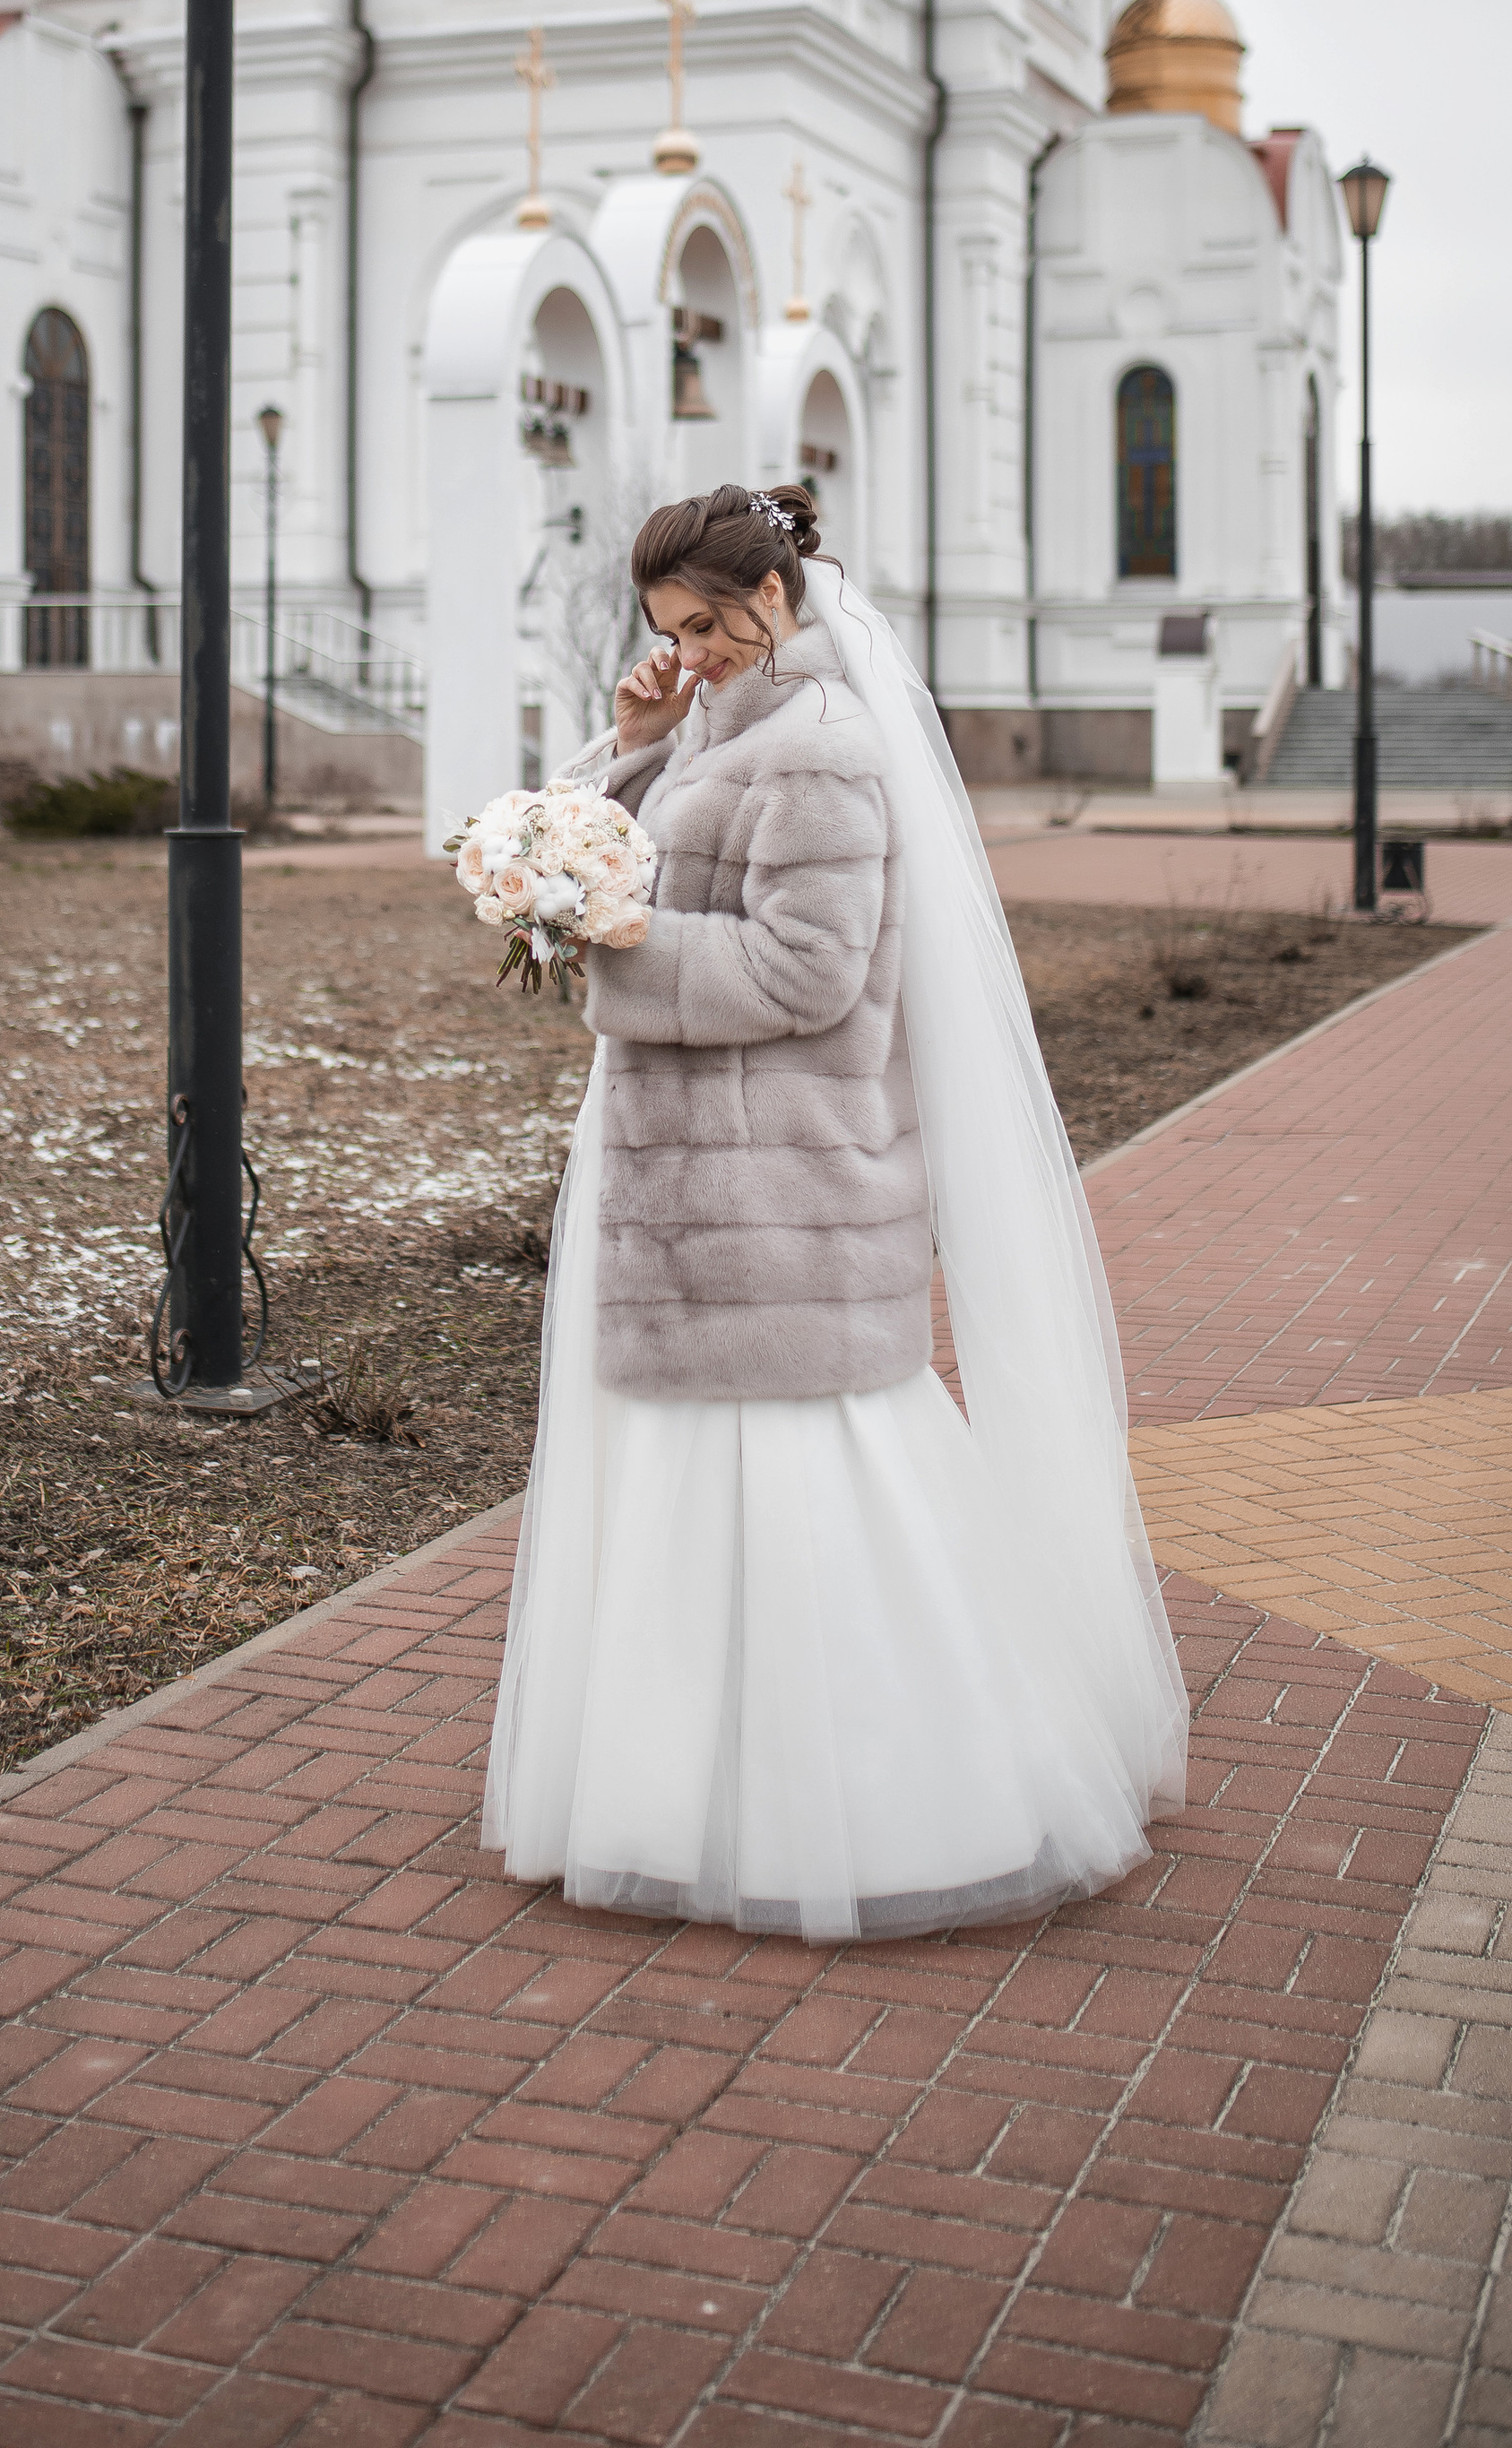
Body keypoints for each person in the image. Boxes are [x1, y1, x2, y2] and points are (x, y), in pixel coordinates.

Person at [483, 480, 1189, 1941]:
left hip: (777, 1188)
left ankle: (904, 1793)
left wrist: (620, 942)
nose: (693, 653)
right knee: (687, 1488)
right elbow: (651, 867)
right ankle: (684, 1797)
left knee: (819, 1482)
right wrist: (627, 756)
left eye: (706, 626)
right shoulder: (717, 734)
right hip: (698, 1183)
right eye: (670, 633)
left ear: (778, 598)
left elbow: (806, 974)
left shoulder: (825, 750)